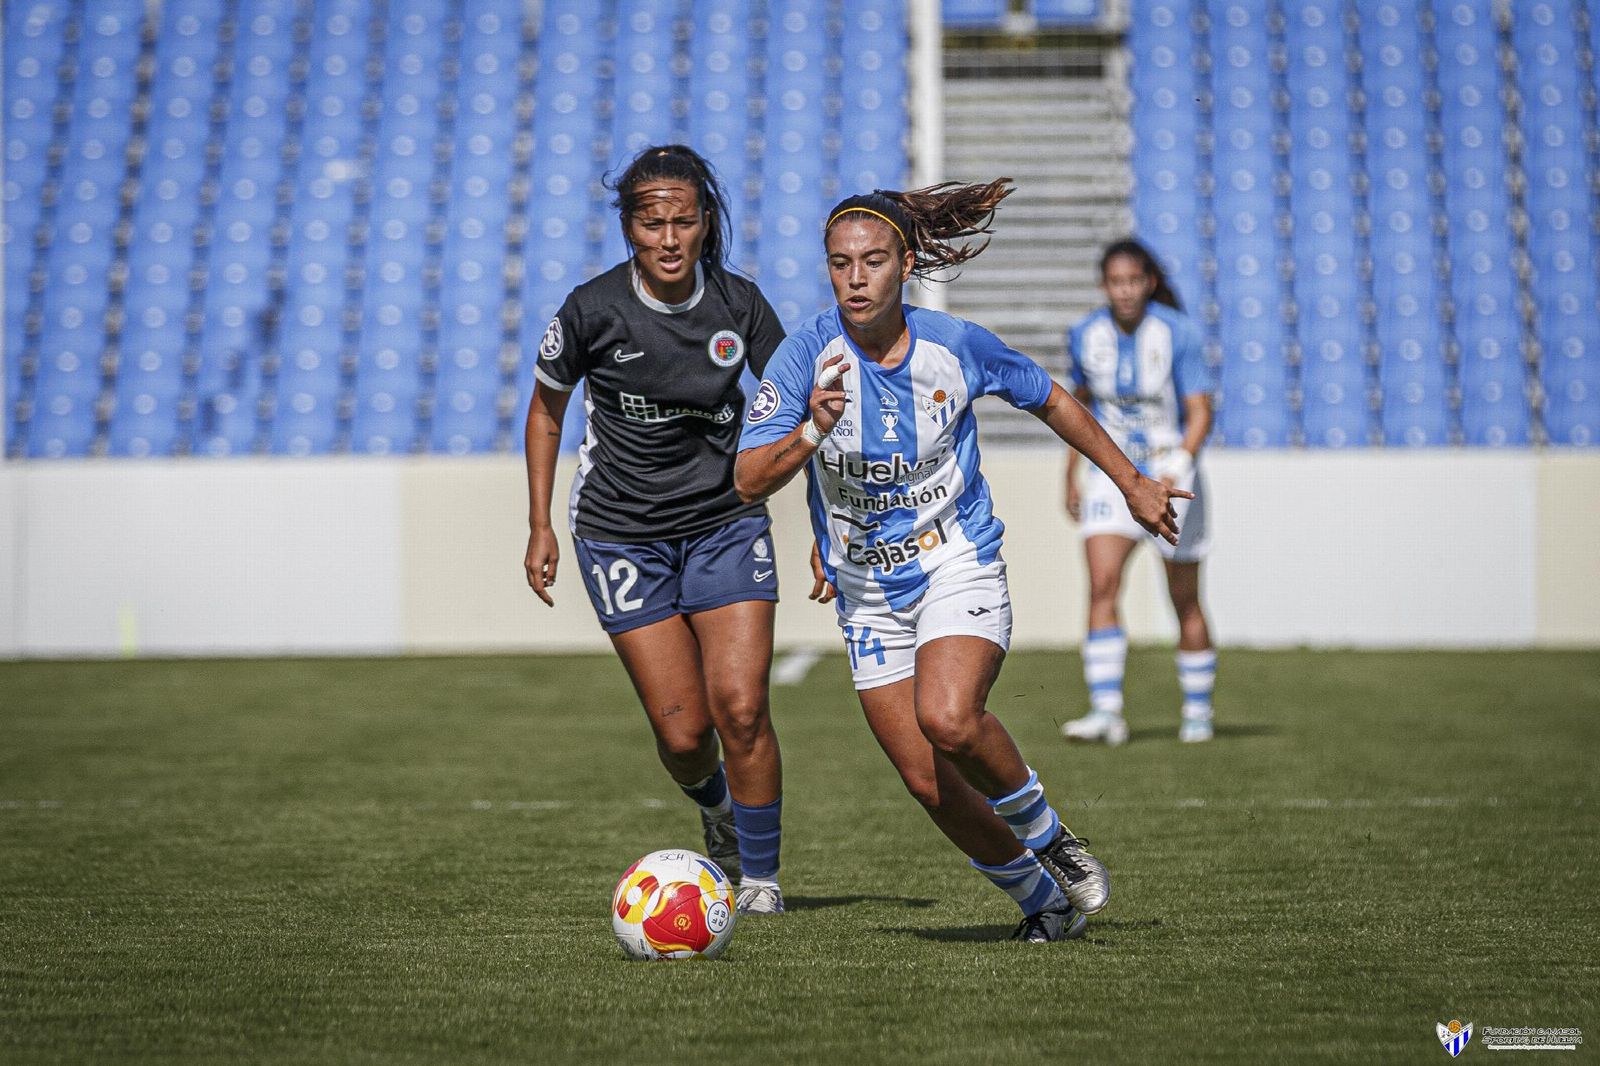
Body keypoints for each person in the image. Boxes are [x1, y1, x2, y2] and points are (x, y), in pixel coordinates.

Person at [733, 183, 1191, 942]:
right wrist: (812, 434)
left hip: (956, 559)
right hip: (866, 591)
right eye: (840, 263)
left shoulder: (954, 345)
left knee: (947, 717)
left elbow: (1051, 398)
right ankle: (1042, 904)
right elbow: (749, 478)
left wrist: (1132, 481)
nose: (855, 278)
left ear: (905, 265)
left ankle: (1053, 839)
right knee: (928, 782)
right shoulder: (806, 354)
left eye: (873, 261)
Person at [523, 144, 789, 914]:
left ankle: (763, 882)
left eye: (682, 222)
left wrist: (826, 520)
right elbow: (547, 411)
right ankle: (716, 811)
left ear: (706, 224)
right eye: (651, 224)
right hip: (620, 533)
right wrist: (538, 524)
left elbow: (794, 407)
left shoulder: (740, 306)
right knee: (683, 737)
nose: (669, 239)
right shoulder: (591, 310)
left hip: (724, 522)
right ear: (628, 229)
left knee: (740, 704)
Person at [1060, 239, 1218, 747]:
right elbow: (1077, 409)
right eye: (1115, 281)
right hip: (1111, 478)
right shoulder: (1085, 334)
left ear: (1148, 282)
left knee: (1183, 597)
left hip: (1173, 478)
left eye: (1133, 280)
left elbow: (1200, 411)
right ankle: (1107, 712)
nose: (1124, 291)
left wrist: (1181, 462)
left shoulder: (1178, 332)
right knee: (1102, 583)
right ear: (1104, 285)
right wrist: (1070, 474)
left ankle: (1198, 710)